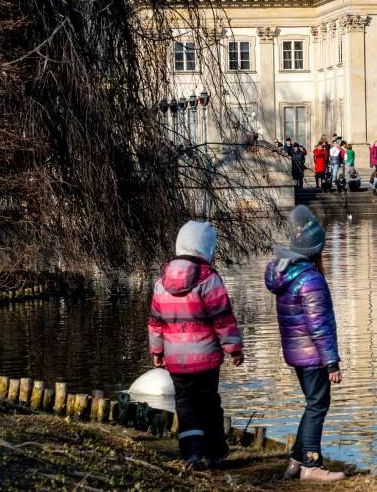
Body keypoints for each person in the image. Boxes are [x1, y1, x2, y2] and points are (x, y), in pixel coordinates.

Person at [147, 221, 243, 471]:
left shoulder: (161, 283)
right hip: (206, 358)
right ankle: (215, 453)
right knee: (209, 402)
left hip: (176, 360)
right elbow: (222, 318)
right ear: (206, 248)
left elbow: (155, 323)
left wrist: (157, 352)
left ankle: (192, 453)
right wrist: (234, 348)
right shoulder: (209, 280)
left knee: (186, 404)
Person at [266, 206, 345, 483]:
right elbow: (318, 325)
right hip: (312, 354)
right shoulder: (311, 279)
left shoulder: (287, 275)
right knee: (317, 405)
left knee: (313, 404)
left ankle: (295, 462)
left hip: (295, 351)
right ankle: (311, 464)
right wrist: (332, 362)